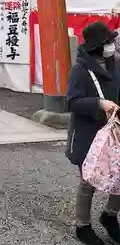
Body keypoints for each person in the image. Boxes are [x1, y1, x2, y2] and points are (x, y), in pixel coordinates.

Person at [66, 21, 120, 245]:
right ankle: (82, 226)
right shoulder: (80, 68)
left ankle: (109, 215)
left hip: (114, 132)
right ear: (98, 46)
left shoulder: (115, 63)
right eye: (108, 42)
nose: (111, 45)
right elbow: (72, 101)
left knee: (119, 176)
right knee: (88, 181)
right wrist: (99, 103)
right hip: (89, 134)